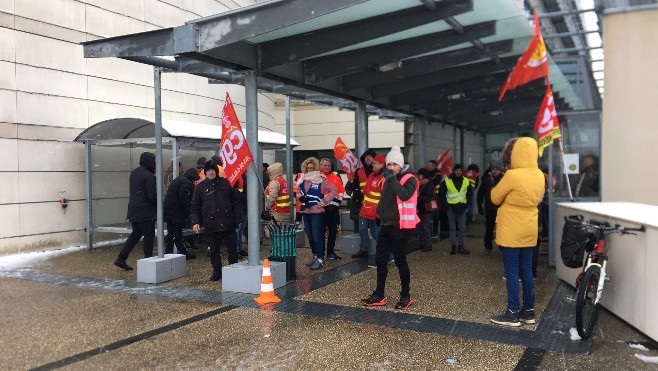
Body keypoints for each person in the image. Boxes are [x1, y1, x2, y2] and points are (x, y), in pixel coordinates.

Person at [490, 137, 545, 327]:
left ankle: (512, 313)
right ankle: (528, 312)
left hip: (511, 229)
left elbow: (495, 197)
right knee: (527, 271)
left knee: (512, 272)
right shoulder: (539, 174)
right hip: (530, 228)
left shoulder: (513, 175)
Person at [361, 146, 419, 310]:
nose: (391, 167)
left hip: (400, 226)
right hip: (386, 224)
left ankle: (405, 295)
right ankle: (379, 295)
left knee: (400, 260)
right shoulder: (388, 179)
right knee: (380, 259)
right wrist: (379, 211)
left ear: (401, 165)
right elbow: (384, 198)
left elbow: (404, 195)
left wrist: (392, 178)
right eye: (389, 164)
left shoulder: (410, 179)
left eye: (395, 164)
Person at [190, 161, 242, 281]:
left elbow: (236, 202)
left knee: (232, 249)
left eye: (212, 170)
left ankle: (233, 270)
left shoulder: (226, 183)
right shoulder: (200, 187)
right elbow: (195, 207)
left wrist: (237, 218)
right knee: (214, 250)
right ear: (205, 172)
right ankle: (217, 272)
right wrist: (195, 222)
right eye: (208, 170)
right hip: (211, 225)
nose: (211, 172)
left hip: (228, 223)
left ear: (216, 171)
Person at [113, 152, 157, 271]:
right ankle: (148, 261)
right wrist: (159, 207)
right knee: (148, 236)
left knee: (135, 234)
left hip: (133, 210)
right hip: (145, 212)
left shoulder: (134, 173)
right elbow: (152, 195)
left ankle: (121, 258)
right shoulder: (149, 176)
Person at [296, 157, 337, 270]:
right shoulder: (302, 180)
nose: (310, 170)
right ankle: (315, 256)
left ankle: (320, 258)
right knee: (309, 236)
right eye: (308, 168)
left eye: (312, 168)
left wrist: (324, 201)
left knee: (316, 235)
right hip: (305, 211)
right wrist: (301, 197)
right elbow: (298, 192)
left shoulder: (321, 179)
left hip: (317, 212)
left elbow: (334, 189)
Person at [163, 168, 200, 259]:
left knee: (177, 234)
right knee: (173, 234)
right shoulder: (186, 183)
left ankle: (183, 254)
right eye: (195, 180)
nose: (195, 182)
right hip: (175, 213)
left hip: (171, 211)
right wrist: (187, 211)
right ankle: (168, 254)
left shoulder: (180, 180)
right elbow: (184, 198)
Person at [353, 155, 385, 259]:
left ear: (382, 164)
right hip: (366, 208)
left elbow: (385, 197)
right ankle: (364, 250)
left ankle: (387, 254)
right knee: (363, 230)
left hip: (376, 211)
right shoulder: (373, 175)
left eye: (375, 163)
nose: (372, 164)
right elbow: (367, 192)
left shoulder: (384, 178)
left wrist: (381, 212)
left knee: (376, 234)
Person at [437, 164, 472, 255]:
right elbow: (441, 194)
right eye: (457, 170)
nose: (458, 172)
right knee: (452, 228)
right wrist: (447, 205)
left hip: (462, 208)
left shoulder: (466, 181)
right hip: (451, 208)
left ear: (462, 171)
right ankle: (453, 247)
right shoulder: (447, 181)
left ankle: (460, 246)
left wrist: (466, 204)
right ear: (453, 171)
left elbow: (469, 194)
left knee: (462, 228)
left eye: (460, 170)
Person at [345, 149, 376, 235]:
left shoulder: (378, 172)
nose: (368, 159)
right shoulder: (358, 172)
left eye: (370, 157)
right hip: (359, 204)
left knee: (374, 230)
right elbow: (348, 187)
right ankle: (360, 246)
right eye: (366, 157)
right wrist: (353, 193)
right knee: (359, 230)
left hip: (373, 205)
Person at [320, 158, 345, 261]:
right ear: (320, 166)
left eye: (329, 165)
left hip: (333, 209)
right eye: (325, 165)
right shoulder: (317, 177)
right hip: (321, 209)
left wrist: (335, 205)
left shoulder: (336, 177)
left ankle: (331, 253)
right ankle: (320, 253)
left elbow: (341, 192)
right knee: (321, 232)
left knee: (333, 231)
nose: (327, 167)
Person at [477, 161, 503, 254]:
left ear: (501, 170)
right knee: (489, 229)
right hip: (489, 208)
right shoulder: (486, 180)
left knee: (501, 229)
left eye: (497, 169)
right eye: (493, 169)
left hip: (501, 209)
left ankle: (502, 248)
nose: (495, 171)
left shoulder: (504, 179)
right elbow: (480, 194)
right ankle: (488, 247)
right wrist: (479, 206)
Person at [416, 168, 436, 252]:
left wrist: (417, 198)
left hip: (425, 208)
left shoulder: (429, 184)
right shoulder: (419, 184)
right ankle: (422, 243)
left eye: (419, 175)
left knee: (425, 226)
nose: (417, 176)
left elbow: (428, 197)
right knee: (420, 227)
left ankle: (428, 244)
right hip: (420, 208)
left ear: (422, 175)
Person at [234, 172, 248, 257]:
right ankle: (236, 249)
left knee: (241, 228)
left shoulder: (242, 177)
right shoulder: (238, 176)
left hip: (243, 206)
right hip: (240, 206)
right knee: (238, 229)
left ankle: (239, 248)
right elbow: (236, 192)